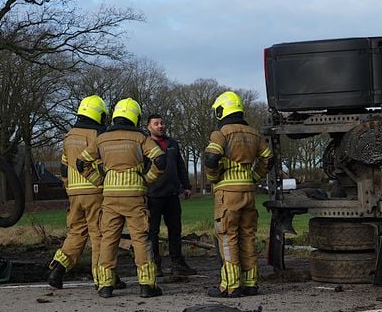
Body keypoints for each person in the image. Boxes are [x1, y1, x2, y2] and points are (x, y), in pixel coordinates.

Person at [78, 98, 166, 298]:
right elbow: (160, 160)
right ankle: (147, 285)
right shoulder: (141, 138)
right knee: (141, 239)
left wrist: (100, 181)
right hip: (134, 196)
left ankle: (106, 286)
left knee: (108, 239)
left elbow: (81, 162)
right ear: (135, 117)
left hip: (110, 197)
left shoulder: (101, 139)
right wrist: (146, 179)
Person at [203, 91, 272, 298]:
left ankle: (231, 286)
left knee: (227, 237)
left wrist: (214, 177)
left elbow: (211, 158)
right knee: (247, 236)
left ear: (221, 111)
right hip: (248, 192)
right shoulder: (253, 133)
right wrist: (254, 177)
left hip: (228, 193)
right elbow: (268, 159)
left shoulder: (221, 133)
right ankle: (250, 283)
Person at [44, 95, 107, 296]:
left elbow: (64, 166)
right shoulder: (98, 134)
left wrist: (69, 187)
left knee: (76, 232)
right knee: (98, 235)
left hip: (74, 193)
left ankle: (58, 269)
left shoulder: (69, 136)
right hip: (94, 191)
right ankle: (102, 279)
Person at [145, 114, 196, 277]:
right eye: (156, 124)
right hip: (153, 195)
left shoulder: (173, 144)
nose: (160, 126)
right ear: (149, 127)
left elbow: (180, 166)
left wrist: (186, 186)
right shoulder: (144, 144)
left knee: (175, 230)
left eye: (161, 123)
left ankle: (177, 263)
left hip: (172, 194)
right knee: (152, 232)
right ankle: (155, 265)